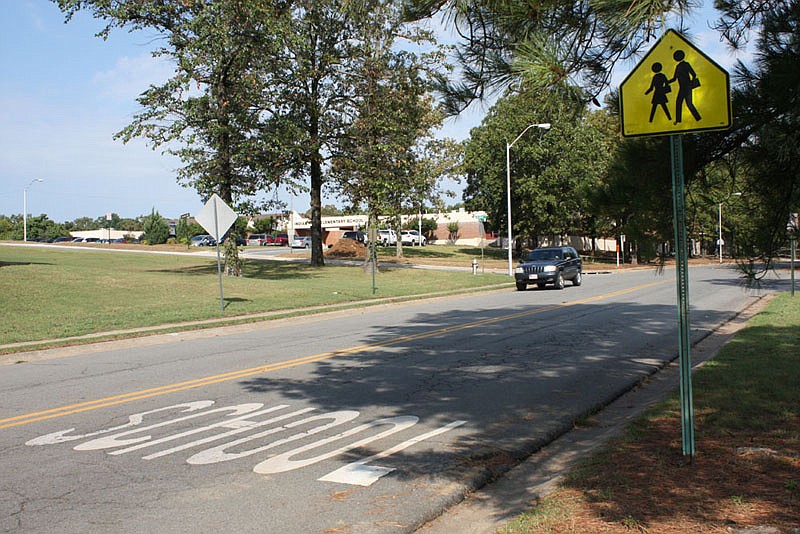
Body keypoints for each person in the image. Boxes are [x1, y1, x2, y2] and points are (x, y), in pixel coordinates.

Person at [669, 49, 701, 124]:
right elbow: (674, 79)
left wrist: (691, 83)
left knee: (689, 104)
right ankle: (678, 120)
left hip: (687, 87)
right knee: (679, 102)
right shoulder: (678, 66)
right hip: (682, 88)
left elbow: (693, 74)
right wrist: (667, 82)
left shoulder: (686, 64)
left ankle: (698, 118)